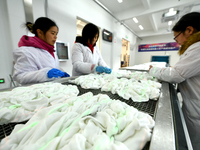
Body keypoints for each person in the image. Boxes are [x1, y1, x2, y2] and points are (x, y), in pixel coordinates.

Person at [149, 12, 200, 150]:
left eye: (176, 36)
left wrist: (152, 70)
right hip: (193, 105)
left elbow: (176, 74)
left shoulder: (198, 48)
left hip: (197, 110)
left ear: (189, 30)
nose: (176, 41)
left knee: (193, 143)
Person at [13, 17, 70, 85]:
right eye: (52, 33)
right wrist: (45, 74)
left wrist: (62, 72)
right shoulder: (27, 51)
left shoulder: (51, 51)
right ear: (40, 32)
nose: (55, 37)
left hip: (53, 89)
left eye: (56, 34)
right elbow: (20, 77)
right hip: (37, 92)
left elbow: (53, 67)